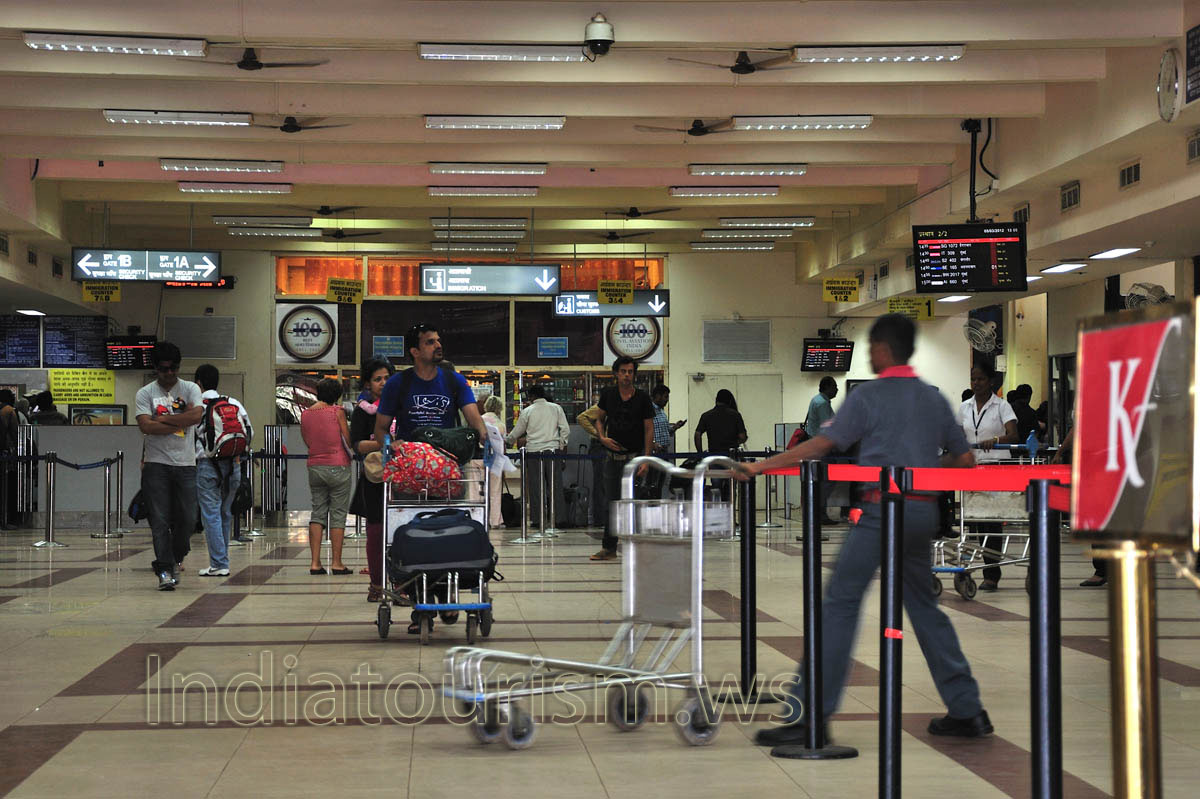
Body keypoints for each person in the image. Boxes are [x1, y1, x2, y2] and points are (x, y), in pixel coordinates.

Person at [741, 313, 992, 745]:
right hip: (921, 513)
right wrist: (925, 470)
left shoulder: (870, 396)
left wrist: (759, 466)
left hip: (881, 513)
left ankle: (809, 715)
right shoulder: (933, 398)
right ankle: (968, 709)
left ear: (880, 349)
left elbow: (821, 445)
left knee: (839, 603)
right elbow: (965, 460)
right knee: (924, 608)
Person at [373, 323, 487, 633]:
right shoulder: (399, 384)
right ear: (414, 351)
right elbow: (380, 428)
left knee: (450, 530)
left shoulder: (454, 380)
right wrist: (390, 444)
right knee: (415, 535)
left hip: (449, 469)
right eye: (429, 342)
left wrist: (483, 435)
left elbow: (473, 416)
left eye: (438, 340)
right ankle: (421, 607)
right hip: (413, 470)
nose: (437, 345)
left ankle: (446, 595)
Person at [135, 341, 205, 591]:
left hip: (186, 464)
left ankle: (176, 556)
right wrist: (180, 422)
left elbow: (196, 417)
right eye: (164, 369)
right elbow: (145, 426)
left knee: (188, 519)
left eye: (174, 368)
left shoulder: (190, 388)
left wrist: (163, 420)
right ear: (156, 368)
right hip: (156, 465)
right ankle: (164, 569)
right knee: (160, 520)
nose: (170, 373)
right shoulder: (145, 393)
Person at [958, 363, 1018, 591]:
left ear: (990, 381)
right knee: (974, 522)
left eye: (981, 379)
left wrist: (996, 439)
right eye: (973, 379)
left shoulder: (1002, 406)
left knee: (991, 522)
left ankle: (992, 574)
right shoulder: (965, 407)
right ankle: (972, 568)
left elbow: (1013, 434)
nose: (976, 383)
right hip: (972, 468)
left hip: (995, 467)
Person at [589, 357, 654, 561]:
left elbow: (648, 429)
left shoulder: (642, 398)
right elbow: (599, 418)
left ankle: (638, 545)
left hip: (634, 458)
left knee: (634, 502)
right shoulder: (608, 395)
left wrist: (646, 459)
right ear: (616, 373)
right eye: (623, 371)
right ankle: (609, 548)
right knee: (612, 503)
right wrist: (602, 438)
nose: (627, 375)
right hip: (612, 457)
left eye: (631, 371)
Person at [193, 364, 252, 577]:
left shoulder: (197, 405)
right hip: (233, 464)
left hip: (208, 465)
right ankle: (222, 560)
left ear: (198, 382)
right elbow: (249, 431)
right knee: (224, 512)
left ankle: (219, 563)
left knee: (211, 514)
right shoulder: (232, 402)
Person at [348, 357, 393, 602]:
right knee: (375, 533)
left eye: (387, 378)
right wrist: (384, 441)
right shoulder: (362, 411)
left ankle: (401, 583)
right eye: (377, 379)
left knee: (400, 532)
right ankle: (376, 584)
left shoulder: (400, 406)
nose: (383, 383)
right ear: (368, 383)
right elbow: (357, 445)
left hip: (401, 479)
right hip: (374, 480)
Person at [300, 378, 353, 577]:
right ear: (337, 396)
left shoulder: (306, 414)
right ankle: (337, 563)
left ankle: (315, 563)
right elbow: (347, 438)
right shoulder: (337, 412)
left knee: (318, 512)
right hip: (338, 465)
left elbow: (307, 439)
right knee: (338, 515)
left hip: (315, 466)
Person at [506, 383, 569, 529]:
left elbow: (517, 432)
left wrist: (507, 441)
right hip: (552, 451)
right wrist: (561, 444)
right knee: (556, 486)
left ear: (531, 396)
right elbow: (565, 429)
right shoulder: (556, 408)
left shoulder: (527, 411)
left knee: (536, 487)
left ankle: (537, 519)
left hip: (533, 452)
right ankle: (559, 519)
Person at [693, 388, 747, 502]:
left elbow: (697, 434)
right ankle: (730, 514)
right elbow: (742, 437)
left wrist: (700, 453)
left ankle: (716, 514)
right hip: (730, 456)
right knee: (730, 487)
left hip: (714, 456)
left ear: (716, 399)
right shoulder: (735, 415)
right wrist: (735, 442)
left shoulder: (706, 415)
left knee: (716, 488)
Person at [805, 377, 839, 525]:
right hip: (822, 448)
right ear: (827, 387)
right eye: (835, 386)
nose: (837, 389)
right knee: (826, 480)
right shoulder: (822, 403)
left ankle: (817, 511)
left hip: (814, 446)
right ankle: (820, 513)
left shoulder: (816, 400)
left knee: (820, 481)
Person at [480, 395, 510, 529]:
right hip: (496, 459)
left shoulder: (479, 420)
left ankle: (478, 518)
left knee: (477, 490)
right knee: (495, 491)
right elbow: (503, 446)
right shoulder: (501, 425)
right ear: (500, 408)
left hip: (478, 458)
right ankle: (495, 521)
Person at [0, 389, 19, 530]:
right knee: (6, 488)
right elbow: (15, 433)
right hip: (4, 454)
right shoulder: (9, 410)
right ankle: (6, 520)